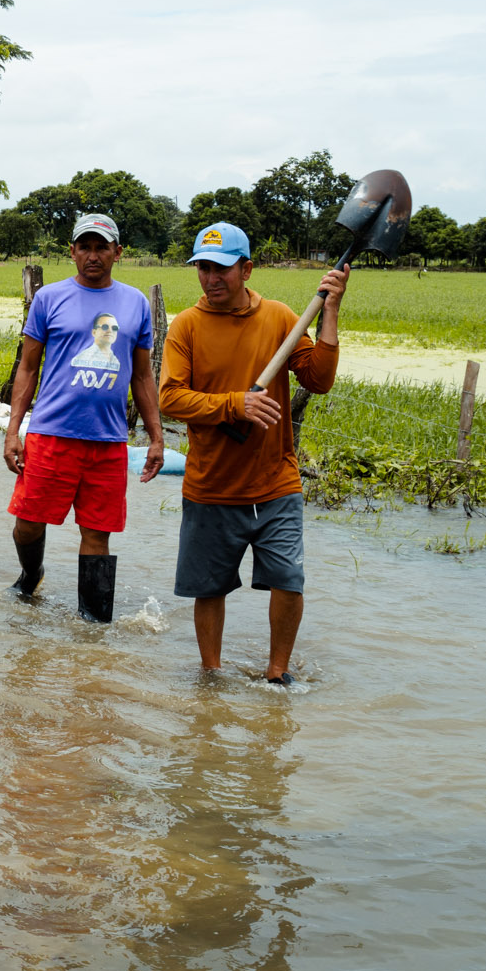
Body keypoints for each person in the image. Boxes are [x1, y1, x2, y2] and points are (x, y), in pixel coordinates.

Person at [159, 221, 345, 685]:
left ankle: (277, 674)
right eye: (203, 268)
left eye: (221, 269)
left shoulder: (280, 318)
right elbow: (171, 398)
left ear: (246, 269)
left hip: (275, 481)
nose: (211, 278)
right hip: (210, 484)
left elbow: (319, 380)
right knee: (209, 588)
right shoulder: (186, 326)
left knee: (288, 580)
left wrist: (331, 311)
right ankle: (211, 675)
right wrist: (234, 405)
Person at [3, 212, 164, 621]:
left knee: (97, 533)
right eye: (85, 247)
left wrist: (156, 437)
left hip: (107, 441)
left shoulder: (135, 303)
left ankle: (93, 627)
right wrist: (13, 430)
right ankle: (31, 573)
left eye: (102, 247)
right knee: (29, 522)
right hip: (51, 434)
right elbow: (28, 367)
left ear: (117, 252)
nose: (93, 255)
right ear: (72, 252)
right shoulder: (49, 298)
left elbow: (143, 375)